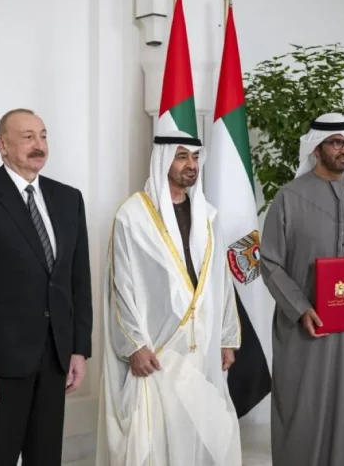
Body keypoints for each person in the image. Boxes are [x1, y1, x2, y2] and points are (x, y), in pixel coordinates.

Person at [0, 108, 93, 466]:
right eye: (27, 137)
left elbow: (78, 281)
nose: (38, 145)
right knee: (0, 457)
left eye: (43, 136)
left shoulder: (68, 198)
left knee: (46, 458)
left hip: (56, 356)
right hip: (1, 361)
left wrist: (78, 349)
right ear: (2, 145)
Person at [95, 130, 242, 466]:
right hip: (157, 350)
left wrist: (226, 337)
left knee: (204, 432)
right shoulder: (132, 216)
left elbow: (221, 281)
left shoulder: (208, 216)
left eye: (195, 157)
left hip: (202, 346)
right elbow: (120, 287)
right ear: (162, 160)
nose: (191, 165)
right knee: (155, 438)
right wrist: (134, 345)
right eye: (181, 156)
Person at [260, 113, 344, 466]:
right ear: (316, 149)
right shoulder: (289, 197)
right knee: (302, 408)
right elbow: (269, 262)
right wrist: (300, 308)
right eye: (336, 143)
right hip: (306, 325)